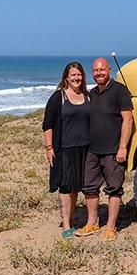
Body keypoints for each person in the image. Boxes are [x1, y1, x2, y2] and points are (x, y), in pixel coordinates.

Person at [75, 57, 134, 241]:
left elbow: (128, 119)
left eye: (102, 70)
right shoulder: (92, 93)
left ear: (109, 70)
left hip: (113, 151)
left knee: (114, 189)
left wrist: (123, 147)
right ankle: (92, 223)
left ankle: (110, 227)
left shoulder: (119, 91)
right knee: (89, 188)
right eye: (95, 71)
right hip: (93, 150)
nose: (98, 73)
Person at [42, 62, 91, 239]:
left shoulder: (87, 96)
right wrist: (49, 147)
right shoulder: (58, 97)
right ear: (66, 78)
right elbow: (47, 125)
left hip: (85, 148)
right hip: (64, 149)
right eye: (73, 75)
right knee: (65, 187)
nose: (77, 78)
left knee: (77, 186)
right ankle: (67, 225)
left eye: (79, 75)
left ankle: (73, 219)